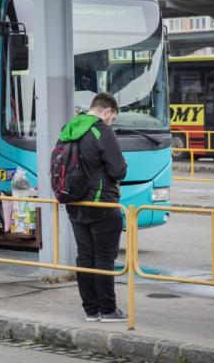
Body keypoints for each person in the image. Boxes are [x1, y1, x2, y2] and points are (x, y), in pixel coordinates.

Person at [59, 92, 128, 322]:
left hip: (74, 204)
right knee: (104, 258)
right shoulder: (101, 130)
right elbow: (118, 170)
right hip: (101, 205)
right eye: (113, 118)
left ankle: (91, 310)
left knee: (85, 256)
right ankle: (108, 310)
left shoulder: (69, 128)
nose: (111, 123)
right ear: (107, 111)